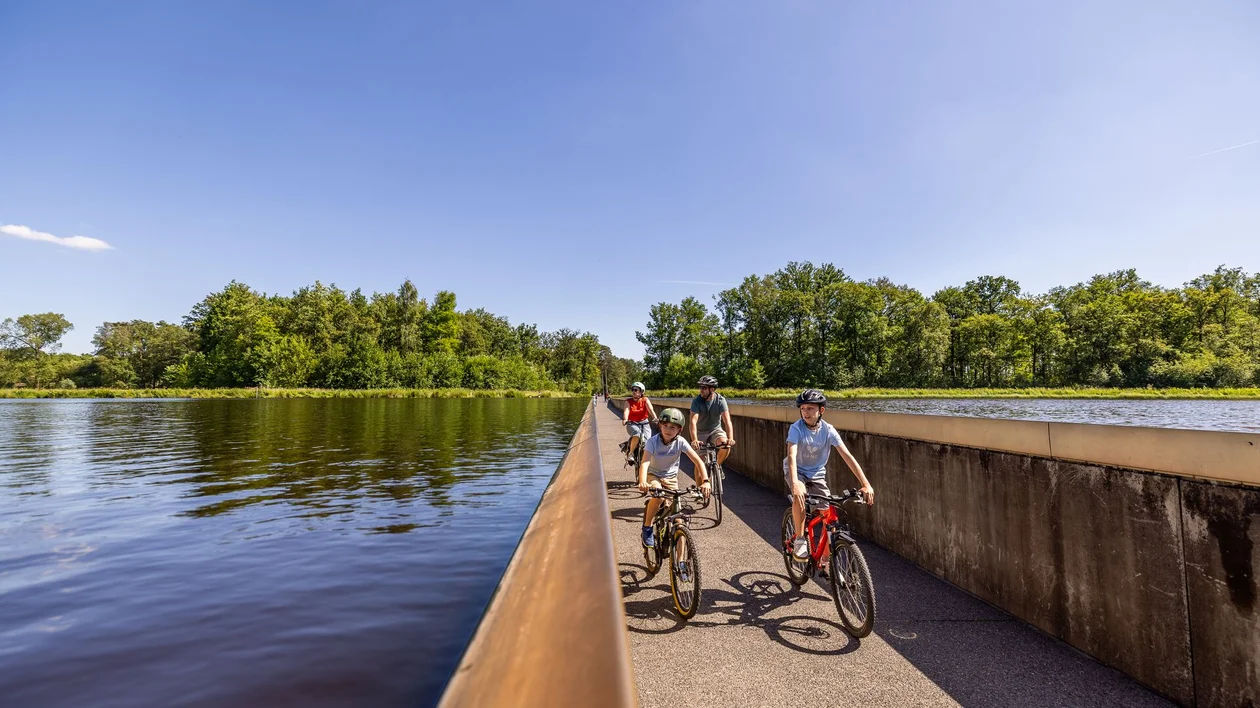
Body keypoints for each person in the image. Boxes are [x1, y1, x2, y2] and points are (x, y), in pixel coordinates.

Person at [784, 389, 875, 560]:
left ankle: (825, 561)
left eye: (810, 408)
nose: (806, 413)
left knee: (829, 516)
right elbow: (792, 455)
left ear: (821, 410)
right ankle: (800, 540)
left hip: (817, 474)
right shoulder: (796, 428)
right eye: (803, 409)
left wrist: (866, 484)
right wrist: (795, 482)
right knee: (801, 495)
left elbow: (848, 457)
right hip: (797, 470)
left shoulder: (828, 430)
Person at [638, 407, 710, 548]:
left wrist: (706, 481)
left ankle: (681, 563)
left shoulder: (680, 442)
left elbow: (698, 461)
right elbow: (645, 463)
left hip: (671, 478)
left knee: (679, 522)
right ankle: (647, 527)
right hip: (654, 475)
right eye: (665, 425)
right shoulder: (652, 442)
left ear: (679, 430)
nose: (668, 429)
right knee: (658, 495)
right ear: (660, 425)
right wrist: (642, 481)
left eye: (673, 427)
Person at [689, 375, 735, 468]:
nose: (701, 390)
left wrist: (730, 438)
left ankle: (716, 467)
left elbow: (727, 421)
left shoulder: (720, 400)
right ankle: (701, 483)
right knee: (699, 465)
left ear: (712, 389)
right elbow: (693, 421)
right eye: (700, 387)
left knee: (726, 445)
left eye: (704, 388)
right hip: (700, 432)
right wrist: (694, 440)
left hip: (715, 431)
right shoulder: (696, 401)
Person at [622, 382, 656, 465]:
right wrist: (625, 419)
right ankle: (630, 454)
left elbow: (651, 410)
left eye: (636, 390)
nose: (634, 391)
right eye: (633, 389)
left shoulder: (645, 400)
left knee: (648, 441)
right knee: (637, 434)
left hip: (645, 422)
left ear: (641, 392)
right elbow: (626, 410)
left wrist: (655, 418)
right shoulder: (628, 401)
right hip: (632, 423)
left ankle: (644, 459)